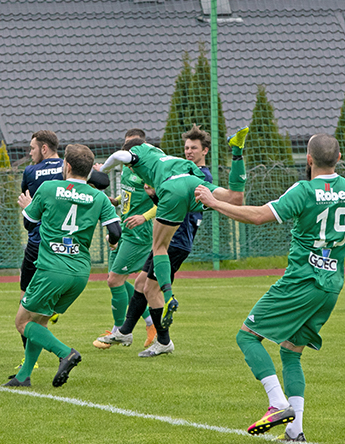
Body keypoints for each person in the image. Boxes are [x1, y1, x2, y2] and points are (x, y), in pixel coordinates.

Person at [195, 134, 345, 442]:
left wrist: (214, 202)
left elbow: (258, 216)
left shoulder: (304, 190)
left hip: (301, 280)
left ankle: (277, 403)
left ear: (309, 160)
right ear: (338, 159)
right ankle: (295, 430)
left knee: (246, 336)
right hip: (331, 286)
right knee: (291, 351)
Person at [97, 126, 247, 340]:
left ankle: (162, 333)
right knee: (142, 285)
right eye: (186, 147)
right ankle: (126, 332)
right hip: (173, 226)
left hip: (175, 240)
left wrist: (100, 171)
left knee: (150, 288)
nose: (188, 152)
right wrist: (155, 195)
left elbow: (173, 201)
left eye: (194, 148)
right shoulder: (179, 166)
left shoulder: (193, 173)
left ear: (205, 151)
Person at [5, 144, 121, 387]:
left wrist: (28, 208)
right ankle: (24, 376)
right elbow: (115, 231)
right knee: (40, 322)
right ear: (89, 171)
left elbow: (29, 224)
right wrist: (111, 243)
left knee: (22, 323)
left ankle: (65, 353)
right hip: (79, 273)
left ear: (66, 166)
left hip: (51, 268)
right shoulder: (98, 196)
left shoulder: (49, 188)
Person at [18, 131, 110, 357]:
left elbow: (29, 219)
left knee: (25, 309)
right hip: (74, 256)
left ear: (44, 148)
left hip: (41, 246)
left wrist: (29, 207)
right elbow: (103, 182)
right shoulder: (72, 168)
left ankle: (46, 356)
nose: (30, 153)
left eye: (32, 148)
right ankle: (26, 372)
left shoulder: (31, 172)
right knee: (40, 316)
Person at [94, 128, 157, 350]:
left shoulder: (149, 171)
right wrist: (116, 201)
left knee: (114, 280)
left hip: (139, 234)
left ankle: (120, 331)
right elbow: (130, 195)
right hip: (125, 229)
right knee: (121, 280)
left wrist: (144, 217)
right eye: (126, 145)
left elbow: (164, 202)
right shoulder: (128, 169)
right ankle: (150, 324)